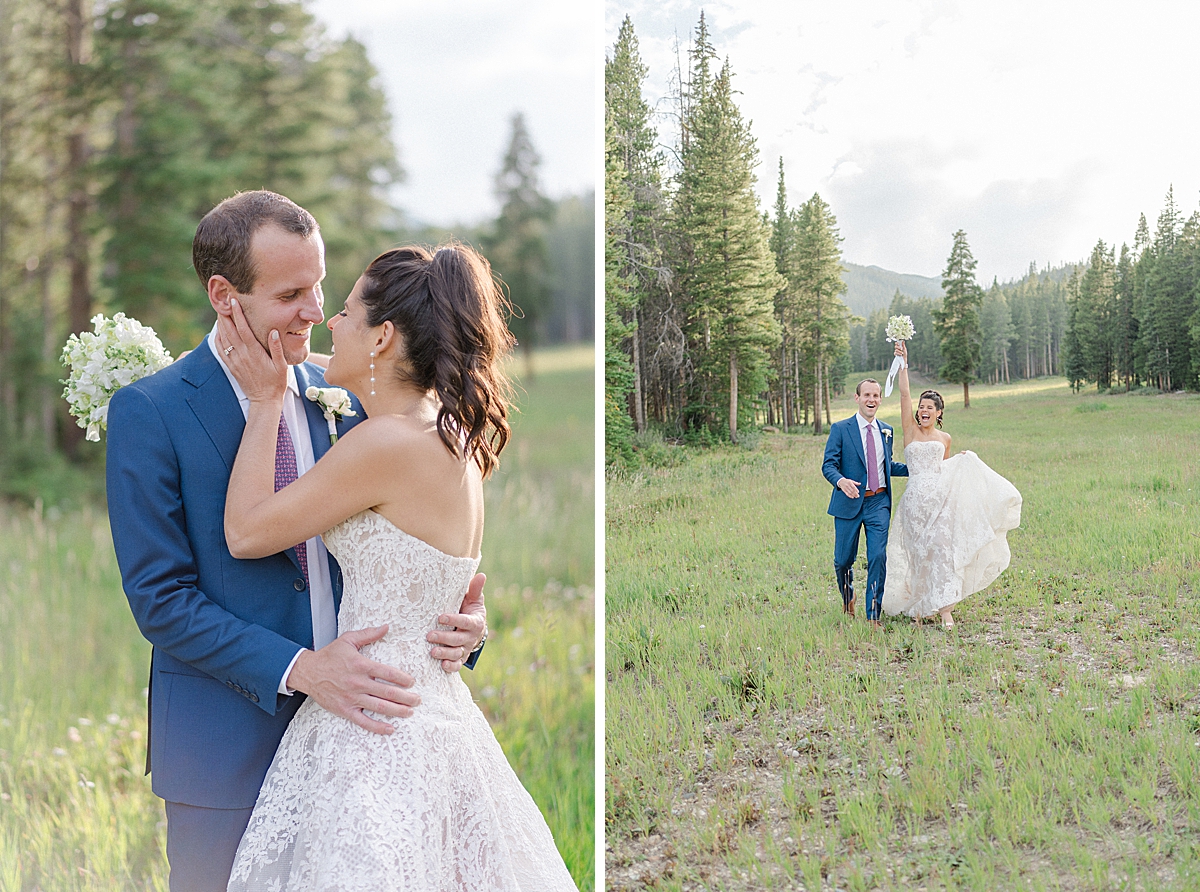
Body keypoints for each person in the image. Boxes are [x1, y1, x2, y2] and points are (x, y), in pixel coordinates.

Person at [105, 191, 488, 892]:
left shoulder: (344, 390)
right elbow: (161, 601)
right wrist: (301, 669)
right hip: (226, 749)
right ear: (225, 296)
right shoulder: (151, 412)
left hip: (367, 745)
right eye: (290, 294)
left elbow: (413, 528)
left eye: (320, 286)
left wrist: (462, 622)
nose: (315, 311)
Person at [217, 241, 577, 890]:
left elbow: (245, 532)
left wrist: (267, 400)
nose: (330, 322)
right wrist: (286, 360)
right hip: (434, 712)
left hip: (376, 726)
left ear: (383, 338)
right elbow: (445, 579)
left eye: (348, 313)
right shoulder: (448, 430)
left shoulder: (384, 443)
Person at [881, 341, 1022, 627]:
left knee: (942, 552)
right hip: (914, 503)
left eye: (929, 408)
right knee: (918, 554)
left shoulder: (945, 440)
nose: (923, 411)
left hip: (939, 503)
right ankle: (920, 605)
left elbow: (945, 471)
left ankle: (945, 609)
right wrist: (903, 363)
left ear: (939, 413)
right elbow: (904, 393)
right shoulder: (909, 430)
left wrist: (962, 461)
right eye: (921, 407)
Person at [821, 378, 908, 627]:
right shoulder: (841, 428)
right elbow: (828, 465)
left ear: (880, 399)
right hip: (849, 501)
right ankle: (848, 596)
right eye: (867, 395)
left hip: (877, 502)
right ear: (857, 398)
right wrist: (840, 482)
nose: (872, 400)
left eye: (876, 396)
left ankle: (873, 615)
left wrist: (920, 467)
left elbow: (886, 466)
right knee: (843, 560)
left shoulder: (886, 430)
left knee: (878, 556)